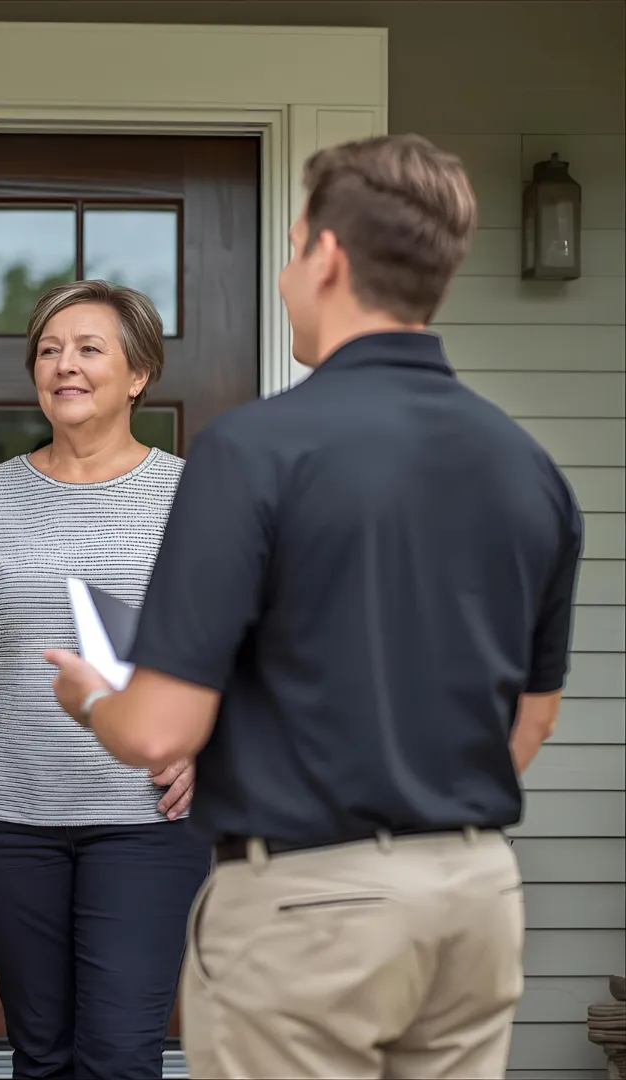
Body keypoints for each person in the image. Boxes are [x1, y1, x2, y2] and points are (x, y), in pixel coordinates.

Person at [46, 135, 583, 1080]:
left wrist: (92, 698)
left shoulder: (255, 452)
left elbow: (161, 725)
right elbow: (531, 717)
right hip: (474, 897)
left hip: (307, 904)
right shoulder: (527, 468)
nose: (288, 278)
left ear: (329, 258)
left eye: (294, 253)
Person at [0, 280, 212, 1080]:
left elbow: (249, 654)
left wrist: (211, 744)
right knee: (42, 1055)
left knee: (119, 1053)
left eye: (88, 349)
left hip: (146, 820)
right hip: (2, 822)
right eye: (48, 350)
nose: (64, 366)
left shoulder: (194, 496)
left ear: (139, 372)